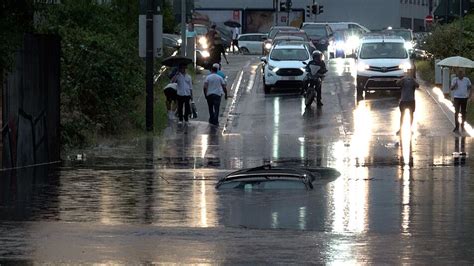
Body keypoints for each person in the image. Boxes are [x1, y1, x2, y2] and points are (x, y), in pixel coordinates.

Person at [395, 68, 419, 135]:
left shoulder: (413, 80)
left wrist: (413, 80)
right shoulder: (403, 80)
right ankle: (400, 129)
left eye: (410, 72)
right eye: (407, 72)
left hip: (410, 100)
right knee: (402, 115)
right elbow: (397, 83)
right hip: (404, 100)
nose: (408, 74)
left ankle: (410, 129)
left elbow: (418, 85)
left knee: (411, 115)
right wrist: (402, 79)